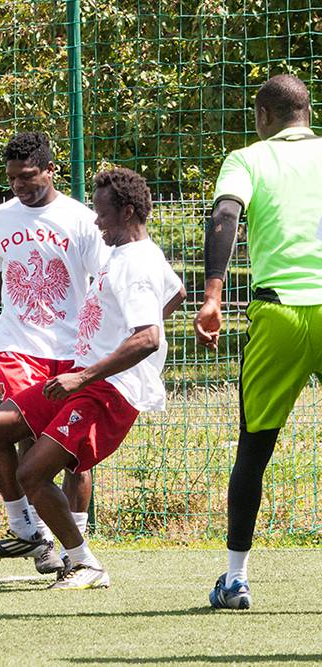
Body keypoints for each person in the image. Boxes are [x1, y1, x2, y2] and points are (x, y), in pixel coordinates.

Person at [0, 168, 184, 590]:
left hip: (107, 391)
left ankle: (84, 562)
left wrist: (86, 374)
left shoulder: (136, 265)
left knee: (32, 472)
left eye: (102, 213)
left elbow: (146, 338)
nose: (95, 221)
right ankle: (28, 532)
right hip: (85, 379)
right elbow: (176, 293)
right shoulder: (132, 255)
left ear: (127, 212)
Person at [195, 74, 322, 610]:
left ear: (264, 116)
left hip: (280, 315)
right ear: (308, 112)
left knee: (254, 448)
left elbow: (226, 216)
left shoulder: (247, 158)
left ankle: (236, 578)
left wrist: (212, 295)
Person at [0, 132, 107, 575]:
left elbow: (102, 287)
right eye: (12, 179)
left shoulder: (81, 220)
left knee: (68, 451)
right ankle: (29, 529)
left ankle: (65, 544)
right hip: (18, 347)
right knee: (19, 434)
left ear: (50, 170)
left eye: (28, 177)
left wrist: (101, 349)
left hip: (73, 352)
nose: (20, 187)